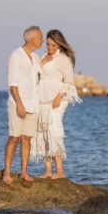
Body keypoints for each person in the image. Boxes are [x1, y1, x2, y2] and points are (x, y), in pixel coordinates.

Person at [31, 29, 82, 178]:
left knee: (54, 131)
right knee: (43, 133)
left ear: (59, 43)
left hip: (57, 99)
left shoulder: (64, 58)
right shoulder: (44, 55)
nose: (50, 47)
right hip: (42, 98)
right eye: (48, 44)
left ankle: (60, 171)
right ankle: (47, 170)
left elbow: (69, 83)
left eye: (53, 45)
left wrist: (58, 98)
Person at [2, 26, 43, 185]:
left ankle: (24, 172)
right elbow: (12, 84)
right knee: (14, 138)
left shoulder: (36, 57)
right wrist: (19, 104)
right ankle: (7, 172)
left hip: (34, 104)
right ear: (32, 38)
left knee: (27, 139)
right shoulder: (16, 55)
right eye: (40, 37)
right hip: (18, 103)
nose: (42, 40)